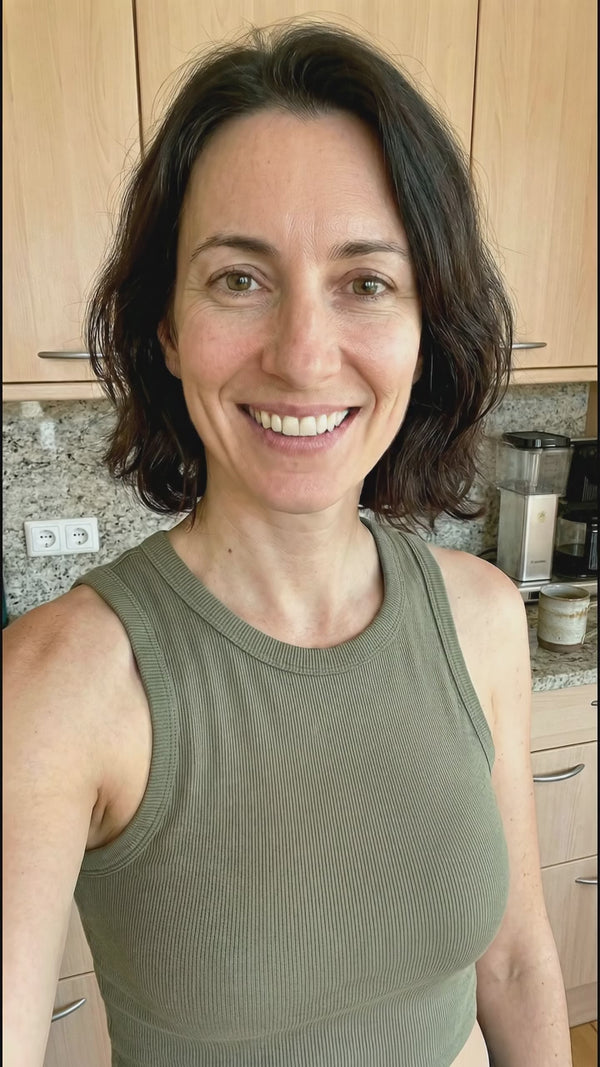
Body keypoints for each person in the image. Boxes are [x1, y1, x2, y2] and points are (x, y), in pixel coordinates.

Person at [3, 21, 572, 1067]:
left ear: (423, 329)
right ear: (167, 327)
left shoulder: (484, 621)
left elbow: (515, 966)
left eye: (367, 282)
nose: (304, 356)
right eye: (239, 278)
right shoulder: (58, 682)